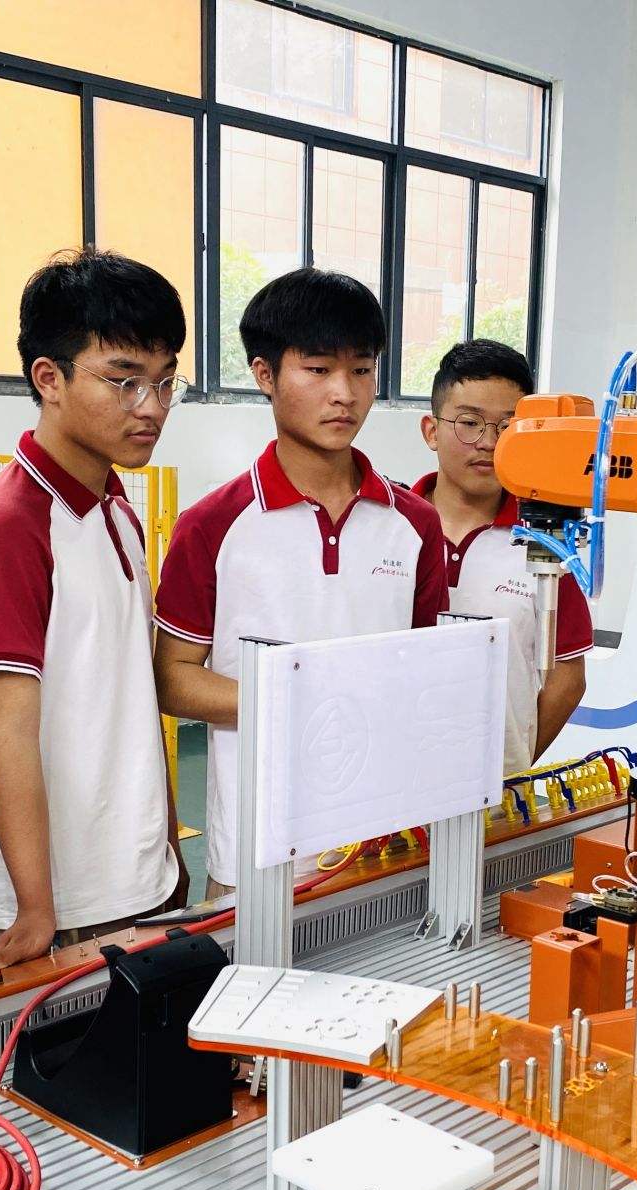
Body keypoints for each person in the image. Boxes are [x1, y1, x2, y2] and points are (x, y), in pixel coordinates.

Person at [154, 269, 448, 895]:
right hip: (255, 850)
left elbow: (430, 670)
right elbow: (172, 676)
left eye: (362, 370)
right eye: (317, 369)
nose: (344, 393)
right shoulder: (212, 524)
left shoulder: (415, 524)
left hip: (383, 840)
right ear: (265, 374)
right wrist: (302, 700)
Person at [0, 250, 188, 968]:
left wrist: (168, 852)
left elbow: (131, 700)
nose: (151, 406)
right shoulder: (7, 524)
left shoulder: (117, 507)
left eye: (166, 381)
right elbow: (8, 730)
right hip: (62, 905)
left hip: (140, 879)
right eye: (124, 380)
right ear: (48, 379)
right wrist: (35, 909)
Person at [413, 339, 590, 775]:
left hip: (496, 792)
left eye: (508, 427)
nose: (488, 443)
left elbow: (568, 678)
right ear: (431, 431)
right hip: (393, 783)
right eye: (469, 423)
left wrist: (511, 763)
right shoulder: (395, 527)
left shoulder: (544, 542)